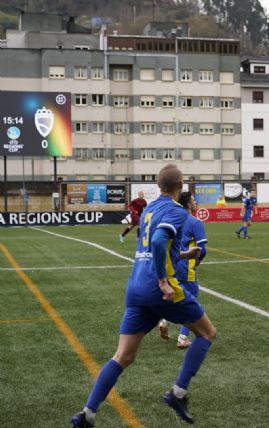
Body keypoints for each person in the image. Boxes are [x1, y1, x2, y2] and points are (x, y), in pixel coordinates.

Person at [71, 164, 217, 427]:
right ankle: (178, 392)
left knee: (123, 356)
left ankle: (87, 413)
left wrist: (183, 255)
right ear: (180, 185)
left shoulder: (149, 209)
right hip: (159, 288)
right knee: (207, 334)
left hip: (136, 286)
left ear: (158, 185)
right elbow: (160, 241)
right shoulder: (177, 211)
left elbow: (151, 246)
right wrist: (163, 281)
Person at [159, 191, 208, 349]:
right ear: (188, 204)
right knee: (191, 302)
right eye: (193, 200)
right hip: (187, 268)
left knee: (177, 297)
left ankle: (165, 319)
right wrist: (198, 261)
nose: (195, 203)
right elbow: (202, 249)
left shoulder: (173, 220)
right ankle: (182, 338)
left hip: (172, 265)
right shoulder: (195, 222)